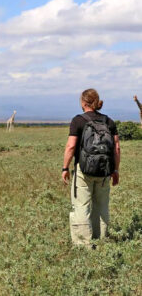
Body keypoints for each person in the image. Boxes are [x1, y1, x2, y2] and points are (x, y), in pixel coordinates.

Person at [62, 88, 120, 247]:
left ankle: (84, 246)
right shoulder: (109, 121)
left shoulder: (78, 120)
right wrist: (115, 170)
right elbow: (116, 148)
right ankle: (101, 241)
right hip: (104, 171)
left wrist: (65, 168)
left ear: (83, 102)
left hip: (84, 170)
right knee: (102, 206)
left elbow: (70, 147)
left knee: (82, 206)